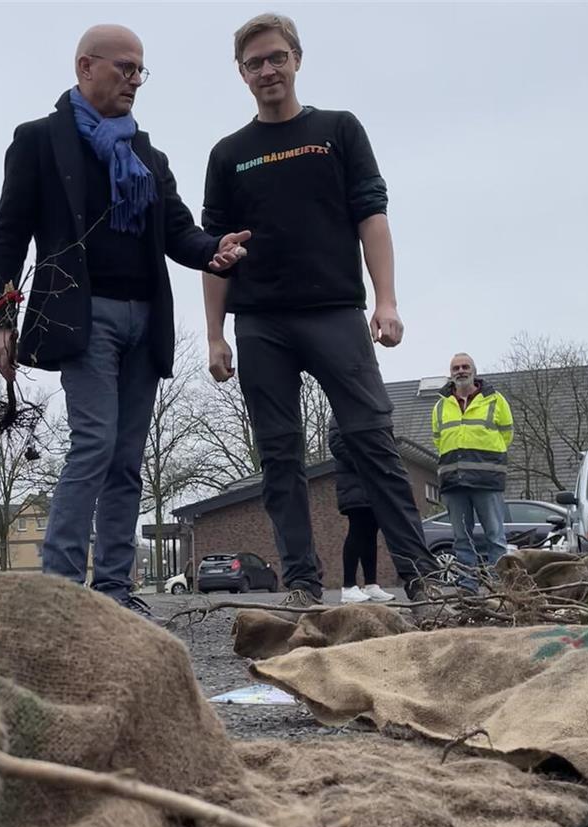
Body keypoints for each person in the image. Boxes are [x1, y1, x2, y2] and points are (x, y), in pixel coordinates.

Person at [0, 25, 250, 618]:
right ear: (85, 68)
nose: (134, 80)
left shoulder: (147, 156)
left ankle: (114, 594)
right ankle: (59, 590)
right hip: (82, 318)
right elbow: (9, 233)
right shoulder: (39, 141)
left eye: (139, 71)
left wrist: (214, 251)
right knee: (95, 444)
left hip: (145, 320)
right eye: (124, 68)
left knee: (127, 459)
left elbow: (178, 230)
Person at [200, 12, 438, 611]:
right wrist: (215, 335)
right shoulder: (229, 154)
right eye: (254, 63)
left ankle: (421, 576)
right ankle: (303, 586)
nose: (267, 70)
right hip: (261, 323)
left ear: (297, 59)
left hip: (335, 312)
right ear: (241, 74)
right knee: (279, 455)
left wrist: (386, 300)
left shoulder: (338, 130)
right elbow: (215, 253)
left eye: (276, 57)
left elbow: (372, 217)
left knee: (373, 442)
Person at [431, 353, 514, 591]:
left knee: (495, 537)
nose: (460, 371)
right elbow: (439, 440)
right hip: (454, 481)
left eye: (465, 366)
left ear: (474, 371)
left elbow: (506, 434)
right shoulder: (440, 406)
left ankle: (499, 588)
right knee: (461, 539)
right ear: (451, 373)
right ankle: (468, 587)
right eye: (456, 367)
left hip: (487, 481)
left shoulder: (495, 401)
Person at [327, 419, 396, 604]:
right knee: (357, 531)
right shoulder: (341, 412)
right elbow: (337, 444)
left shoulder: (369, 412)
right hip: (354, 484)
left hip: (372, 485)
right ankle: (348, 586)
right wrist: (367, 464)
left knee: (370, 534)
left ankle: (371, 585)